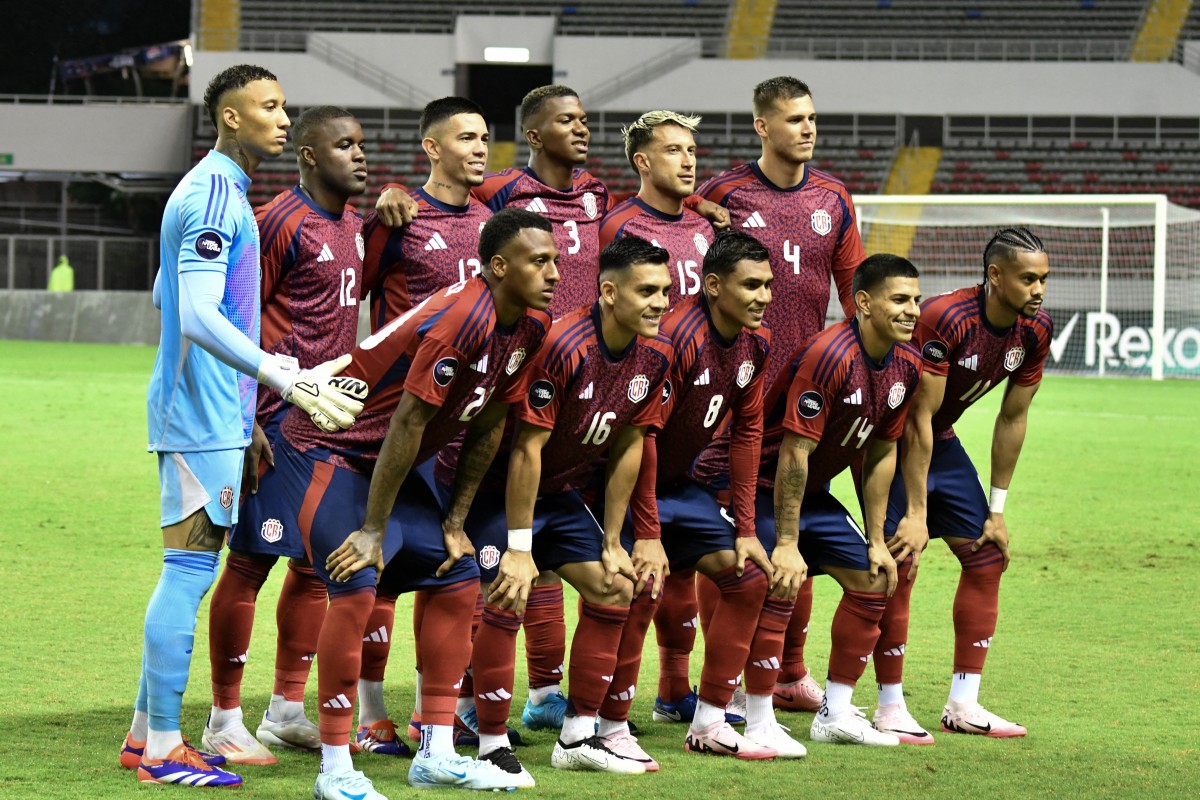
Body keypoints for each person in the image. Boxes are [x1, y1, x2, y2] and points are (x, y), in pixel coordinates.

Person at [126, 64, 367, 789]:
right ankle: (167, 747)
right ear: (230, 117)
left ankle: (147, 735)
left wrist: (245, 400)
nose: (283, 118)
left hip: (214, 413)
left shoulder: (227, 190)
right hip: (198, 417)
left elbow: (185, 299)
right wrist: (282, 375)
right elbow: (197, 315)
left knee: (192, 572)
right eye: (268, 106)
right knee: (189, 572)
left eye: (283, 105)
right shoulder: (209, 195)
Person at [271, 208, 557, 799]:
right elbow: (406, 421)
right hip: (330, 450)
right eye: (540, 261)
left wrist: (455, 519)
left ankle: (437, 754)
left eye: (555, 259)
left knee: (455, 578)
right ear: (499, 267)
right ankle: (334, 769)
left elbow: (486, 427)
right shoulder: (461, 318)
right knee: (355, 583)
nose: (555, 272)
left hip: (386, 464)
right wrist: (373, 529)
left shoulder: (527, 327)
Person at [446, 235, 673, 776]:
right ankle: (490, 741)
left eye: (665, 291)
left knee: (615, 584)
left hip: (560, 493)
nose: (661, 303)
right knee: (508, 588)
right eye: (647, 291)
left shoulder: (656, 353)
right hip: (494, 490)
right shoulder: (563, 345)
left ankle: (576, 739)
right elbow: (525, 449)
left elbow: (629, 445)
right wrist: (521, 551)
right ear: (609, 291)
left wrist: (615, 540)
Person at [596, 229, 817, 765]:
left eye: (768, 285)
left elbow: (746, 436)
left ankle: (711, 719)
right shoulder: (675, 340)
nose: (765, 296)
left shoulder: (755, 343)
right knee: (640, 585)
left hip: (682, 487)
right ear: (713, 285)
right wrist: (647, 533)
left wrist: (745, 528)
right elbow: (640, 438)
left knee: (749, 577)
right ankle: (607, 726)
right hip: (620, 488)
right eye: (752, 285)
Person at [694, 253, 923, 747]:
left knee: (874, 578)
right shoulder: (830, 355)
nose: (912, 311)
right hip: (755, 483)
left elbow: (881, 452)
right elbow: (795, 453)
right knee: (779, 578)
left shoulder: (907, 365)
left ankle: (835, 713)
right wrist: (789, 542)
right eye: (900, 299)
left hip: (807, 492)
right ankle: (756, 718)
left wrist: (879, 538)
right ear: (863, 303)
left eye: (916, 300)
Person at [202, 106, 370, 765]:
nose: (359, 155)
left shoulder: (355, 224)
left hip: (324, 421)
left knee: (312, 564)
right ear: (307, 154)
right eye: (344, 145)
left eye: (361, 145)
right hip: (272, 420)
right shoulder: (276, 222)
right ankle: (222, 717)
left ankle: (285, 711)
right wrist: (242, 421)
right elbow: (230, 317)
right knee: (250, 563)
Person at [697, 75, 865, 712]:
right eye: (794, 119)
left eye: (813, 118)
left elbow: (856, 298)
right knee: (728, 541)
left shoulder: (834, 196)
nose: (808, 129)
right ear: (763, 126)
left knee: (797, 530)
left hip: (805, 397)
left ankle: (790, 671)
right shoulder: (722, 195)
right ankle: (714, 681)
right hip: (733, 393)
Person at [355, 96, 497, 757]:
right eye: (464, 137)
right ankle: (369, 713)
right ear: (431, 148)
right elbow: (352, 296)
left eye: (485, 137)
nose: (479, 147)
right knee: (385, 570)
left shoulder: (494, 221)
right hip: (401, 421)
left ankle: (429, 712)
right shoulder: (399, 218)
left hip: (466, 423)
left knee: (452, 566)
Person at [870, 228, 1051, 743]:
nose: (1038, 290)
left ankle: (963, 703)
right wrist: (918, 513)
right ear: (995, 276)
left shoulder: (1035, 330)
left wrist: (997, 509)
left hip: (939, 442)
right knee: (898, 562)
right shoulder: (947, 318)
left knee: (987, 554)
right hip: (890, 437)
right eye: (1028, 278)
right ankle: (888, 706)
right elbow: (916, 416)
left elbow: (1012, 418)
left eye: (1044, 279)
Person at [599, 109, 719, 725]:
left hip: (696, 410)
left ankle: (674, 688)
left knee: (686, 562)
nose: (689, 159)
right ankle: (595, 703)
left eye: (692, 149)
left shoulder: (703, 226)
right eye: (674, 150)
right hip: (636, 402)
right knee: (635, 562)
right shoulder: (619, 225)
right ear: (643, 162)